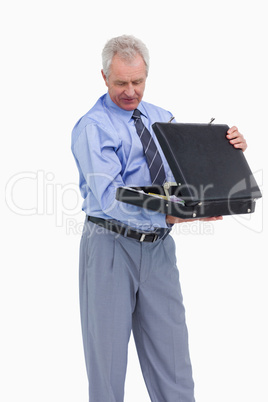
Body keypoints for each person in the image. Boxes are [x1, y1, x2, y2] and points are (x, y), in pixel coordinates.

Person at [71, 35, 247, 402]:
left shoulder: (161, 118)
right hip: (110, 247)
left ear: (146, 74)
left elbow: (183, 170)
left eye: (138, 82)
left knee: (174, 364)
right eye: (121, 83)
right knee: (108, 368)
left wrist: (226, 150)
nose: (131, 91)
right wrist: (168, 215)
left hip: (159, 250)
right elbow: (106, 199)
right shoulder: (93, 127)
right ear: (104, 77)